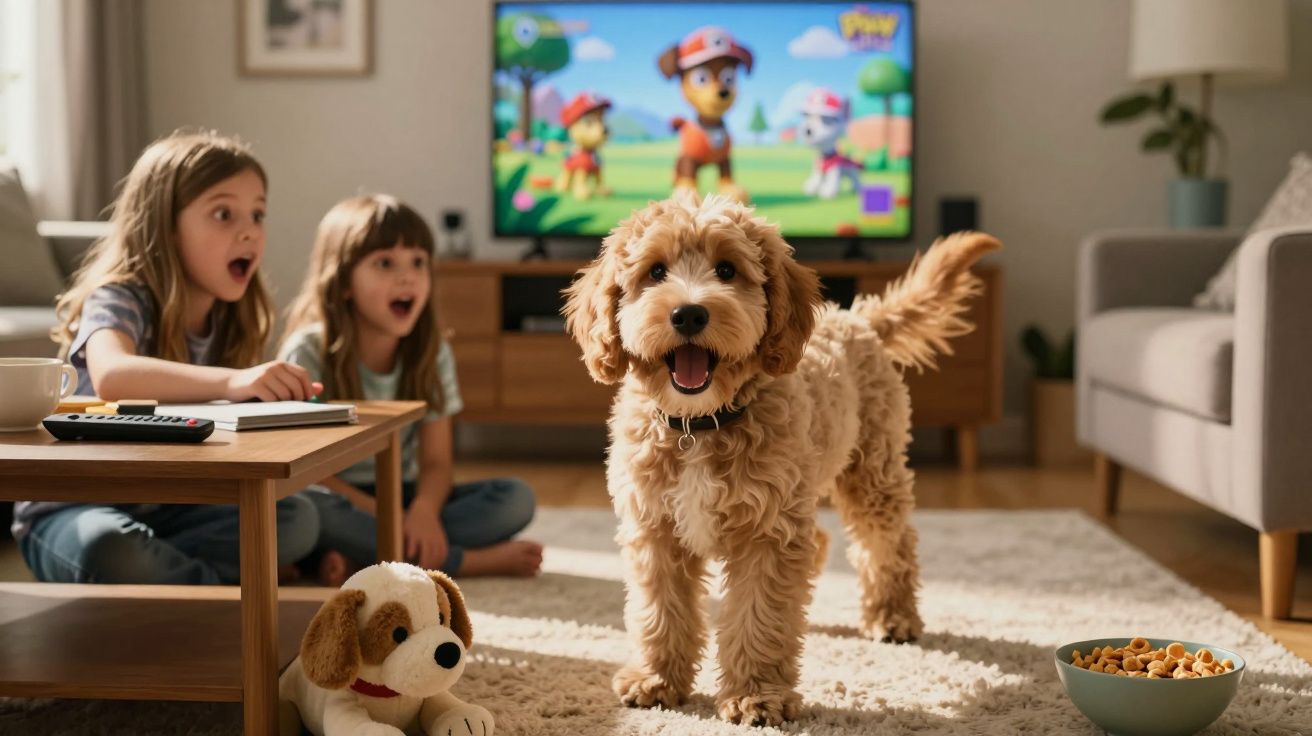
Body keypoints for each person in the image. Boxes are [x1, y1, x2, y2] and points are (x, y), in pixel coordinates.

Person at [13, 130, 322, 585]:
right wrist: (233, 382)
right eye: (224, 213)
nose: (249, 231)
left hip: (169, 505)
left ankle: (176, 582)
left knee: (298, 517)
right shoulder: (120, 297)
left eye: (258, 214)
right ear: (166, 226)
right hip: (72, 507)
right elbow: (114, 375)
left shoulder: (230, 319)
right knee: (110, 549)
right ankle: (219, 595)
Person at [280, 194, 542, 583]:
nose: (408, 277)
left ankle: (358, 558)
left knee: (514, 499)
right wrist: (388, 516)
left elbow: (437, 462)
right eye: (385, 263)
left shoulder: (432, 353)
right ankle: (459, 562)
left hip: (402, 492)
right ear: (344, 282)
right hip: (334, 493)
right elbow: (303, 471)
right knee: (304, 513)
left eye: (418, 262)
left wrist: (423, 512)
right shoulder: (307, 352)